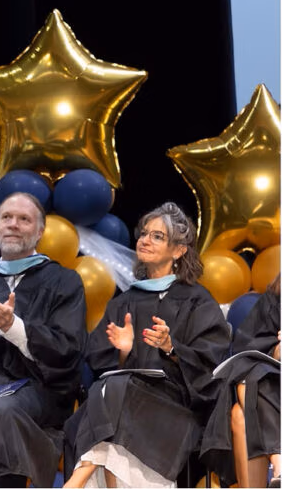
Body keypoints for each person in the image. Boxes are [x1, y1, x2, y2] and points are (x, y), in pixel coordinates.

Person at [62, 202, 231, 488]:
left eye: (157, 236)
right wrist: (125, 352)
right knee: (111, 389)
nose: (145, 240)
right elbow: (98, 357)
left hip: (174, 406)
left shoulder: (198, 301)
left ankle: (80, 476)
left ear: (179, 250)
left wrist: (171, 348)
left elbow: (211, 365)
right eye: (144, 233)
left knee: (112, 392)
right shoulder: (124, 301)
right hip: (123, 400)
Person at [0, 192, 87, 488]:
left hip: (38, 389)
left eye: (24, 219)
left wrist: (14, 328)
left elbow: (68, 349)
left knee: (2, 410)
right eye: (6, 217)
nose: (13, 224)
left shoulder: (64, 282)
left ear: (40, 231)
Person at [200, 274, 281, 487]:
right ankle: (277, 465)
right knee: (239, 413)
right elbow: (248, 349)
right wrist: (276, 351)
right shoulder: (275, 300)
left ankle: (278, 463)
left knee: (242, 412)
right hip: (272, 393)